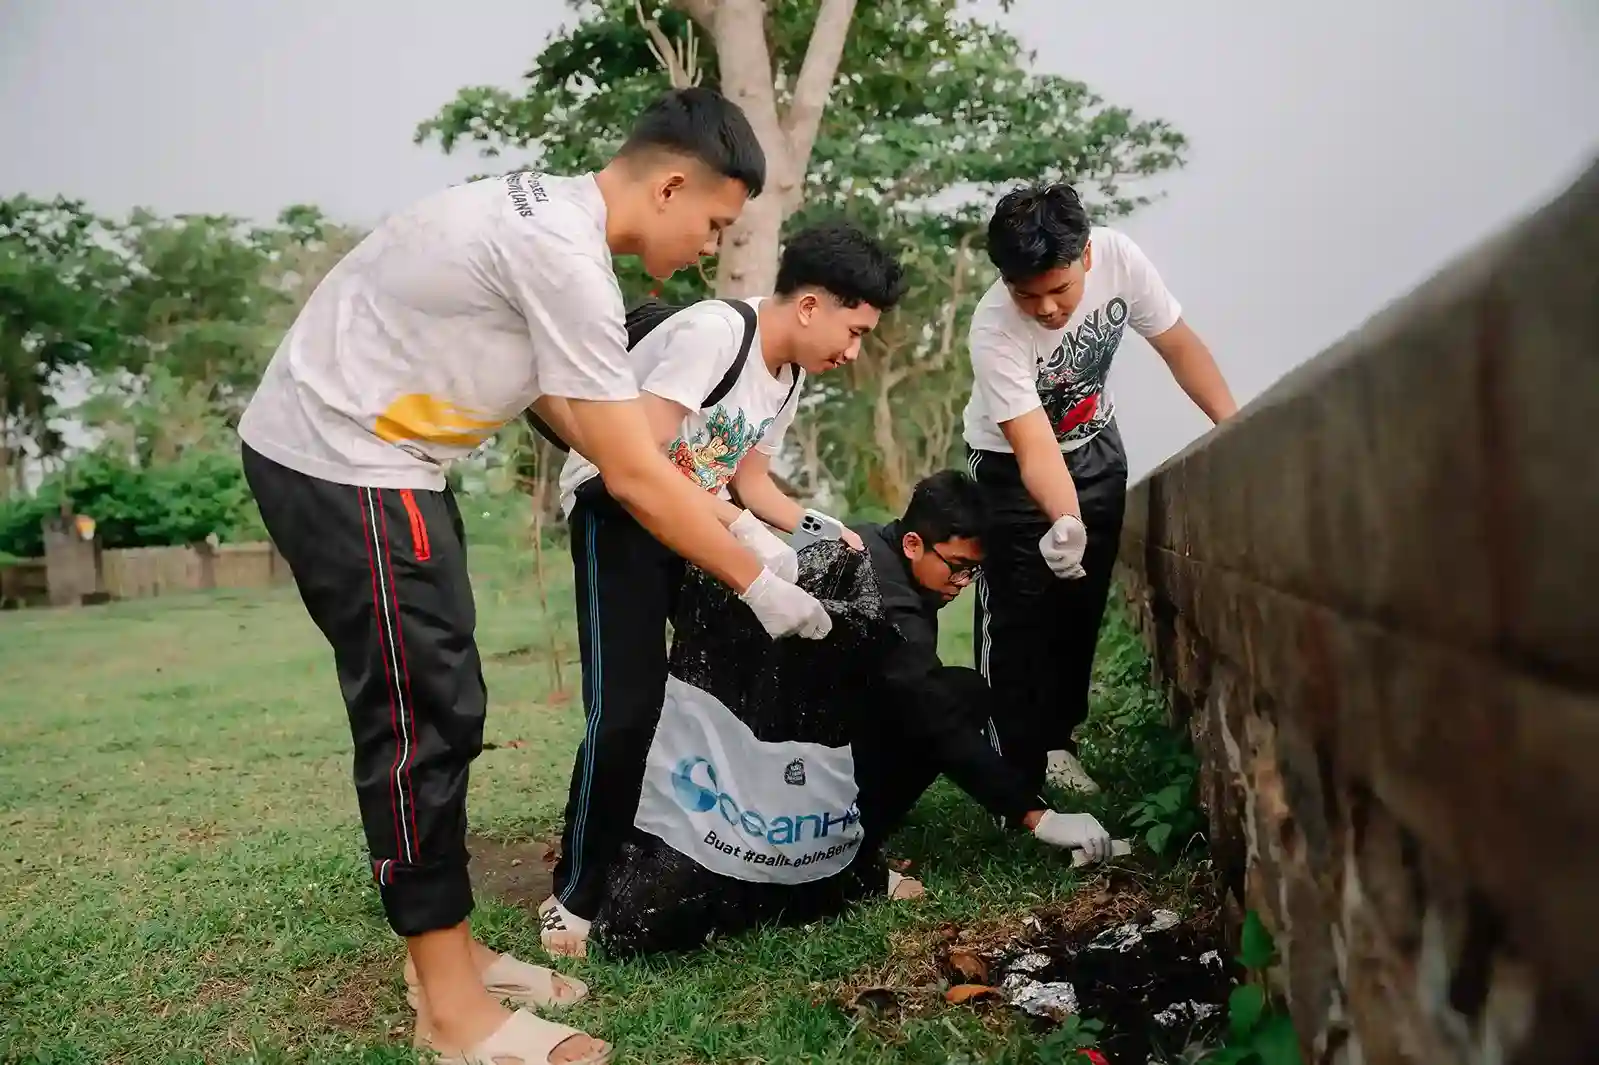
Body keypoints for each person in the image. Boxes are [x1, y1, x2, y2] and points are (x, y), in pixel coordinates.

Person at [235, 87, 824, 1065]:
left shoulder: (554, 227)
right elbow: (633, 471)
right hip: (341, 459)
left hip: (392, 461)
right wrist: (760, 581)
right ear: (672, 184)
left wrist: (714, 512)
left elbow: (581, 415)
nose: (716, 247)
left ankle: (451, 957)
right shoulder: (562, 256)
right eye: (716, 222)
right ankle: (454, 1017)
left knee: (448, 701)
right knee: (425, 715)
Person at [539, 218, 908, 957]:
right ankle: (573, 892)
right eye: (854, 329)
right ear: (810, 305)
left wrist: (813, 525)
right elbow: (636, 462)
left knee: (730, 692)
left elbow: (749, 480)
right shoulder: (715, 333)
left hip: (695, 517)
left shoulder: (790, 375)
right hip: (620, 508)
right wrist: (741, 536)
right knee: (627, 708)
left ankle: (731, 847)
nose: (853, 350)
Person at [962, 183, 1237, 798]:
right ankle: (1012, 758)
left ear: (1086, 256)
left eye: (1059, 291)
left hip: (1095, 444)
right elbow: (1032, 444)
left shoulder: (1120, 259)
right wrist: (1063, 517)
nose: (1048, 310)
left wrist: (1235, 427)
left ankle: (1058, 741)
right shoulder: (994, 329)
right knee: (1018, 608)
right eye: (1026, 295)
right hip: (1010, 463)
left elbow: (1179, 345)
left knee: (1079, 604)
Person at [850, 469, 1114, 889]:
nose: (962, 583)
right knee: (942, 704)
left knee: (962, 691)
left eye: (972, 572)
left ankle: (859, 832)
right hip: (787, 762)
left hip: (819, 731)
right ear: (914, 543)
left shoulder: (881, 548)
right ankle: (848, 862)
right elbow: (932, 715)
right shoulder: (888, 598)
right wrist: (1036, 816)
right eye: (957, 567)